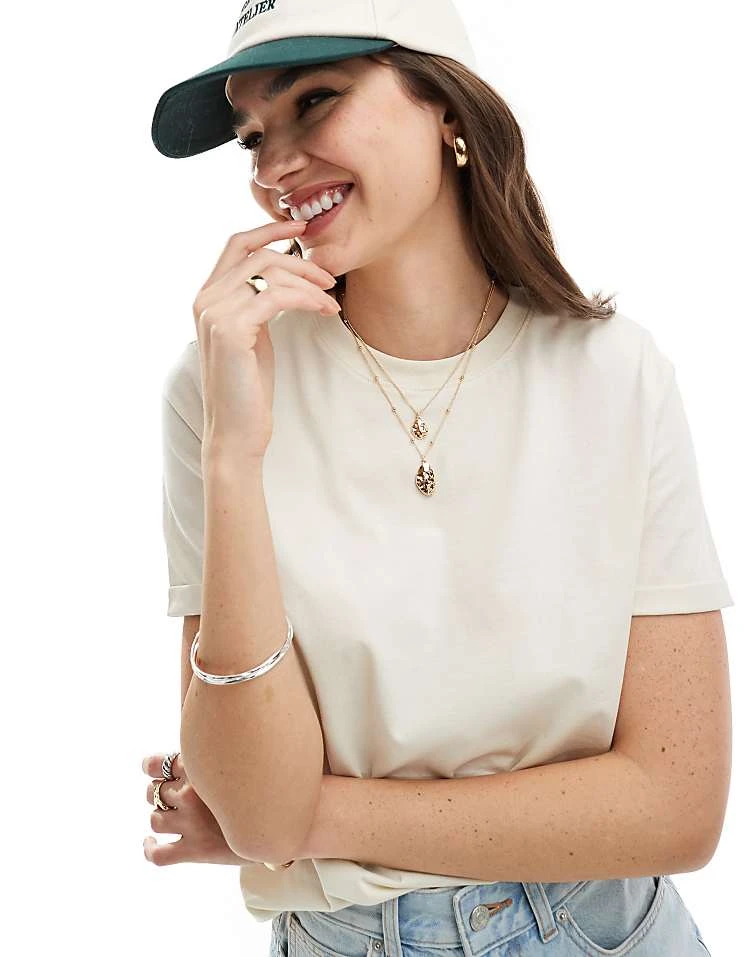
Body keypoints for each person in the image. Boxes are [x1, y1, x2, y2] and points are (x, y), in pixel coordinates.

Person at [144, 2, 731, 955]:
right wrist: (233, 457)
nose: (272, 165)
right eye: (251, 136)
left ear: (447, 106)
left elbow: (677, 805)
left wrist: (306, 819)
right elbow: (255, 811)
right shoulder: (223, 384)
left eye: (315, 100)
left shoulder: (615, 374)